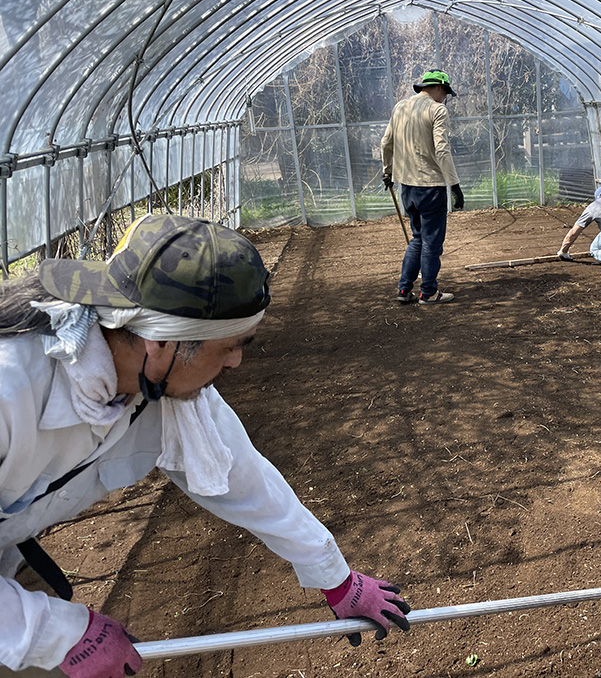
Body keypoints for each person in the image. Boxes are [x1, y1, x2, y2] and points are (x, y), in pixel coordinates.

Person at [0, 214, 410, 677]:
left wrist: (337, 579)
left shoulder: (163, 384)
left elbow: (241, 474)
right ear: (161, 343)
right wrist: (53, 632)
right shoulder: (9, 389)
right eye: (231, 346)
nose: (236, 361)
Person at [381, 69, 464, 305]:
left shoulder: (401, 107)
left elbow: (386, 142)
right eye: (446, 92)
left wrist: (387, 171)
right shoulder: (437, 109)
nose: (445, 97)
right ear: (439, 88)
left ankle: (403, 290)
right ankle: (428, 293)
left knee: (417, 238)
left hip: (406, 186)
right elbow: (442, 149)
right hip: (430, 187)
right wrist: (455, 185)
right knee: (431, 242)